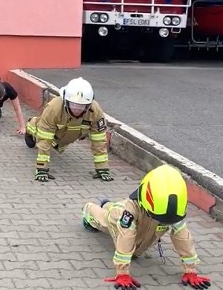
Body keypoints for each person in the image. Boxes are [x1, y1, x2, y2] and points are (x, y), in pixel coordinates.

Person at [81, 164, 212, 289]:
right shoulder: (130, 210)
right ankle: (90, 209)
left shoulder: (173, 210)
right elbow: (126, 238)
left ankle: (107, 203)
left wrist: (190, 270)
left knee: (137, 250)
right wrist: (123, 273)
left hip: (141, 218)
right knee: (107, 219)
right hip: (120, 214)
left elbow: (182, 236)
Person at [23, 77, 114, 182]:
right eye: (74, 104)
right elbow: (45, 140)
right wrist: (42, 168)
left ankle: (59, 143)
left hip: (71, 132)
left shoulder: (95, 111)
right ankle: (30, 125)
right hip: (53, 129)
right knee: (41, 131)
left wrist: (102, 168)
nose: (77, 109)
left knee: (63, 138)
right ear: (66, 101)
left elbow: (99, 141)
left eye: (82, 106)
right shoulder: (54, 108)